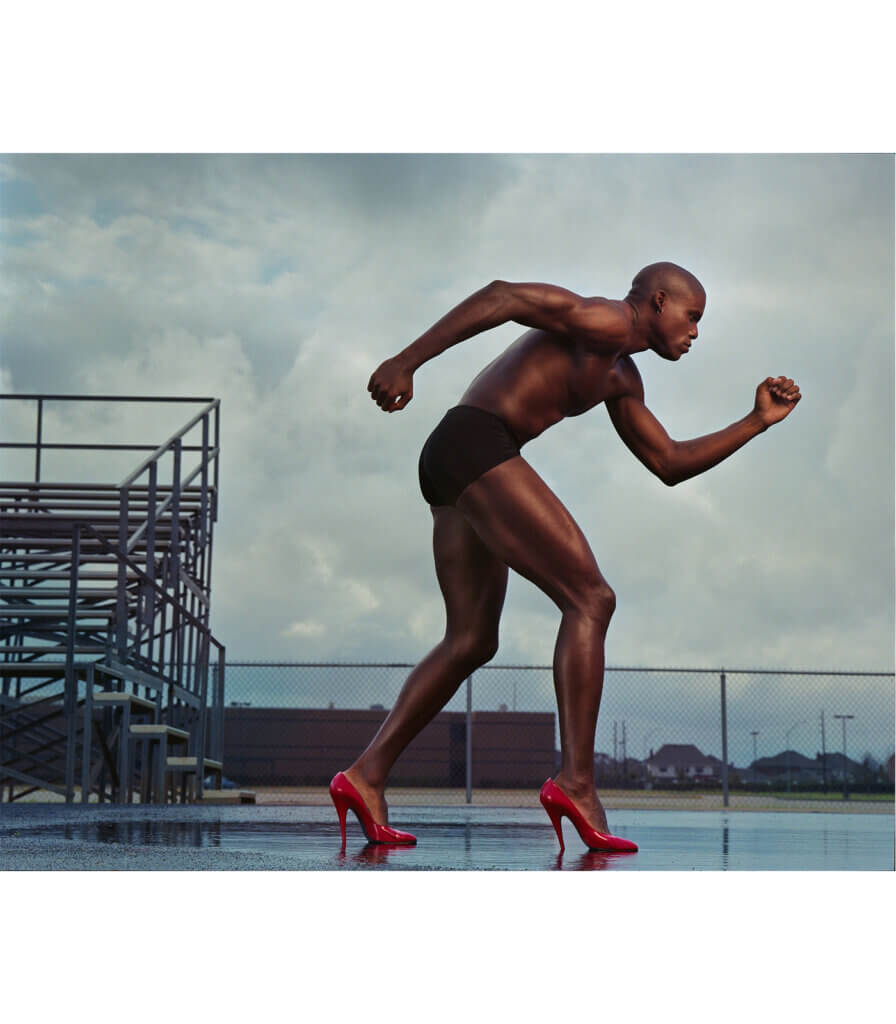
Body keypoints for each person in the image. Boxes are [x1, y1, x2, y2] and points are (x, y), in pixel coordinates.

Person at [329, 262, 802, 851]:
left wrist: (757, 421)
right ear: (657, 302)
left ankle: (365, 776)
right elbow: (503, 295)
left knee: (472, 639)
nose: (696, 332)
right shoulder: (603, 320)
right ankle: (576, 781)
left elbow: (670, 463)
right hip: (476, 443)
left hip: (453, 458)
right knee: (591, 598)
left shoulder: (621, 377)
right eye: (692, 316)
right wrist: (408, 361)